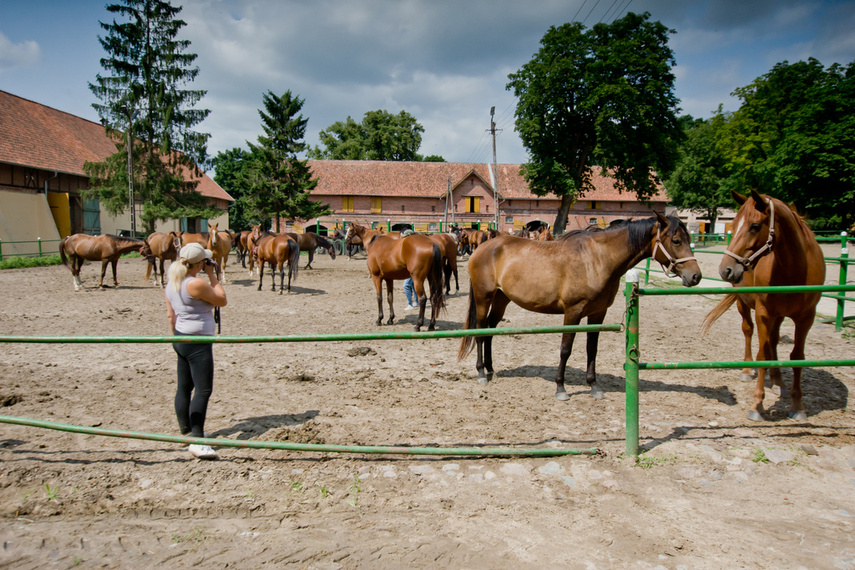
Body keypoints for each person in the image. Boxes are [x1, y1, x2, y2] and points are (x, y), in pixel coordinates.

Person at [165, 242, 228, 460]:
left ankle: (186, 430)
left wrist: (177, 337)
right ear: (200, 263)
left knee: (184, 387)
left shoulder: (173, 281)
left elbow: (170, 315)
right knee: (203, 390)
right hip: (198, 341)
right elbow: (222, 299)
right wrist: (213, 276)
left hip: (180, 337)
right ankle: (198, 439)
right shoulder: (195, 284)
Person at [401, 229, 416, 310]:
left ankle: (410, 304)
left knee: (406, 285)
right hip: (414, 268)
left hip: (411, 268)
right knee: (413, 285)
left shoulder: (410, 246)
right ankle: (416, 302)